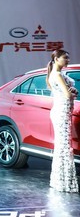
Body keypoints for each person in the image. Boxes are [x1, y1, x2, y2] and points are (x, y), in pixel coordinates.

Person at [46, 49, 78, 193]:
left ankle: (60, 181)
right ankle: (64, 182)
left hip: (62, 112)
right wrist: (71, 92)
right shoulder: (57, 74)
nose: (68, 60)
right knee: (64, 147)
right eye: (65, 58)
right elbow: (67, 94)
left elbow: (69, 92)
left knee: (62, 146)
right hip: (61, 113)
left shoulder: (57, 73)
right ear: (56, 59)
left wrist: (72, 92)